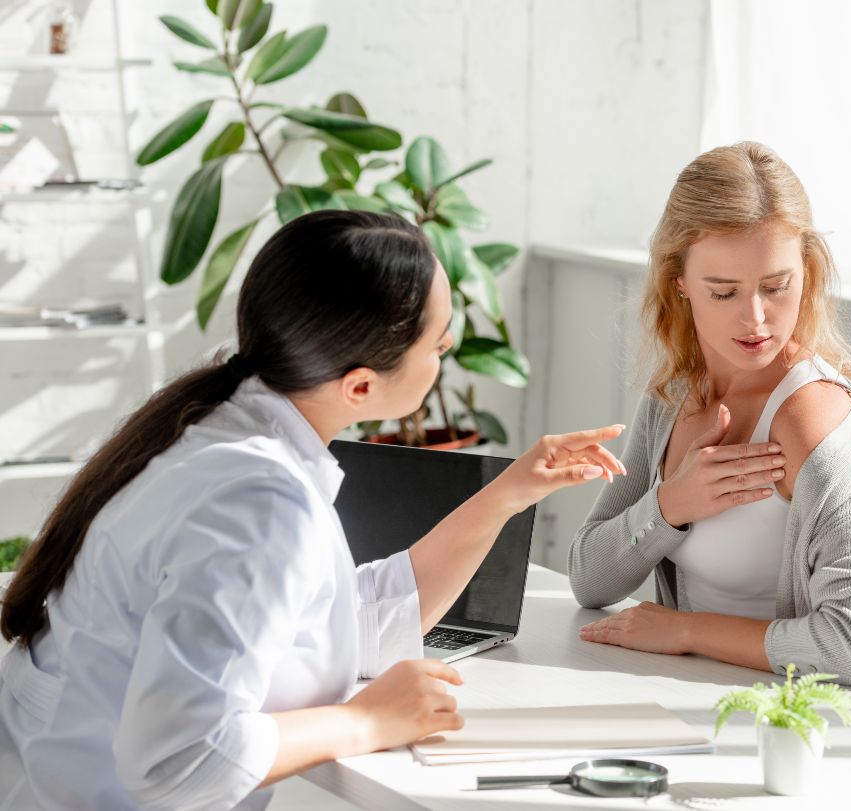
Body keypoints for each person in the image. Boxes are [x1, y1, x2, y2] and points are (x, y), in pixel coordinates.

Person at [0, 210, 626, 810]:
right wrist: (363, 721)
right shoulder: (255, 499)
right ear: (361, 385)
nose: (449, 349)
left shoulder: (223, 429)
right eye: (438, 345)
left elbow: (340, 622)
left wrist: (506, 495)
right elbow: (181, 764)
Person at [570, 142, 851, 689]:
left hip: (800, 713)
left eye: (776, 287)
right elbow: (590, 579)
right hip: (693, 694)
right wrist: (672, 504)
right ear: (680, 283)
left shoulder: (810, 419)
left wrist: (687, 631)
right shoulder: (675, 396)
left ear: (807, 272)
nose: (755, 319)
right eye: (723, 292)